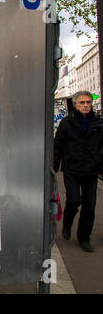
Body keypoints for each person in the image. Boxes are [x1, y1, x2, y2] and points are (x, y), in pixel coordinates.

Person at [54, 91, 103, 252]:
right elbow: (58, 146)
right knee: (74, 199)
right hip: (72, 168)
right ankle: (67, 223)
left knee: (89, 204)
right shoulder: (66, 123)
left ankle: (84, 237)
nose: (86, 105)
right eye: (82, 103)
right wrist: (54, 167)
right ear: (75, 105)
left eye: (88, 102)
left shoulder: (98, 123)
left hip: (91, 169)